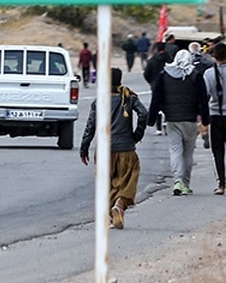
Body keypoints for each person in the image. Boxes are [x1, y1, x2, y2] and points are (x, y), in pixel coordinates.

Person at [80, 67, 147, 229]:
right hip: (126, 148)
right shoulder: (128, 97)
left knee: (106, 183)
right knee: (127, 180)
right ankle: (120, 204)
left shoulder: (99, 101)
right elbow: (143, 114)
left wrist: (84, 148)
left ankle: (111, 217)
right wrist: (136, 136)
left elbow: (90, 126)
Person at [148, 49, 207, 196]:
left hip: (172, 119)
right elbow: (203, 99)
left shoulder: (164, 74)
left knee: (175, 150)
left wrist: (151, 119)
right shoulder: (195, 75)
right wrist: (205, 119)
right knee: (188, 152)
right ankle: (185, 183)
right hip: (190, 119)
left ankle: (177, 181)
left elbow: (156, 97)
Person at [202, 42, 226, 195]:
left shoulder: (209, 74)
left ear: (214, 56)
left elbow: (205, 95)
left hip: (216, 115)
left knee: (218, 151)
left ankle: (222, 184)